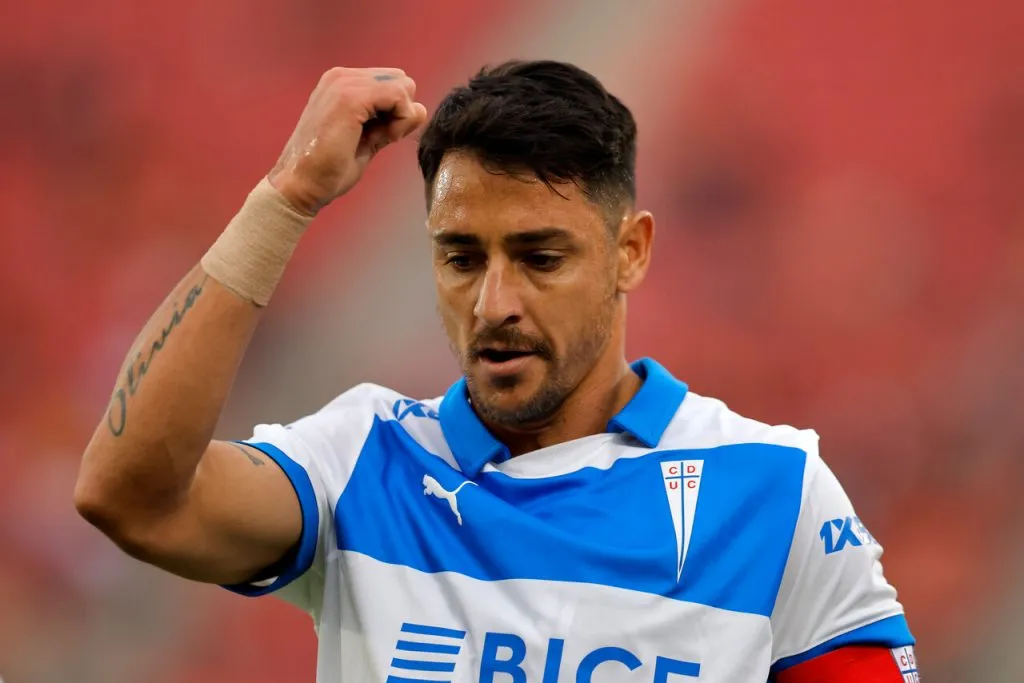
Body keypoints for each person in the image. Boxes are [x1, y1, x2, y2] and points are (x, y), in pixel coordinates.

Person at [75, 61, 918, 682]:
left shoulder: (773, 489)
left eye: (539, 257)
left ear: (631, 251)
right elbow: (130, 496)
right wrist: (286, 198)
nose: (493, 302)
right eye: (461, 257)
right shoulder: (362, 461)